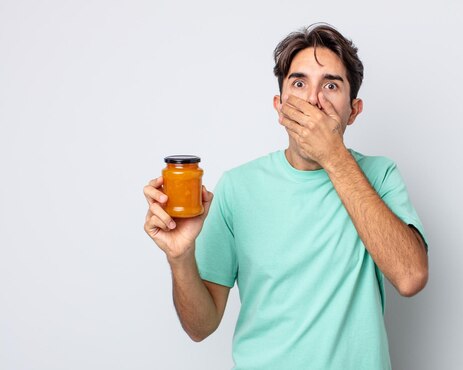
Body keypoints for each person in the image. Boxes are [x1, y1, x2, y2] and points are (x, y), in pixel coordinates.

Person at [143, 24, 429, 370]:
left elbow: (411, 277)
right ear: (280, 107)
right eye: (299, 83)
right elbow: (200, 327)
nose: (313, 99)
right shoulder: (237, 186)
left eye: (331, 85)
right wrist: (180, 257)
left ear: (353, 110)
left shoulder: (380, 176)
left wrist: (334, 156)